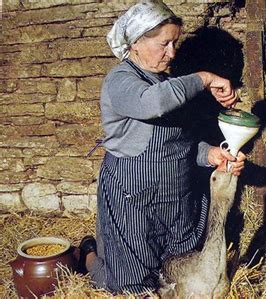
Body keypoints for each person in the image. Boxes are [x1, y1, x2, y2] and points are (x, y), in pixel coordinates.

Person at [77, 0, 245, 293]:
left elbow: (181, 144)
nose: (172, 52)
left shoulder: (170, 84)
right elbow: (151, 103)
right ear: (137, 43)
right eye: (164, 43)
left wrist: (210, 154)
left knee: (173, 274)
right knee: (128, 281)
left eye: (175, 43)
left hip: (176, 199)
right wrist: (205, 78)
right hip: (134, 199)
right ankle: (89, 256)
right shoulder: (120, 80)